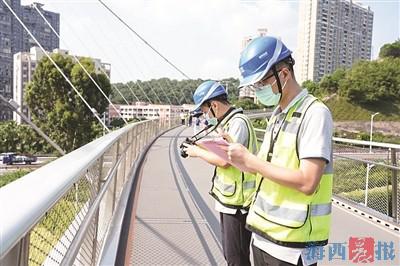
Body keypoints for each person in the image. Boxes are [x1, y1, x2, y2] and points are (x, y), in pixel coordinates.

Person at [224, 36, 334, 266]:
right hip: (264, 234)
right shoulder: (277, 115)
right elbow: (267, 170)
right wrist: (240, 158)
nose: (259, 90)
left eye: (261, 84)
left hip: (294, 246)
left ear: (283, 74)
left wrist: (251, 162)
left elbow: (307, 181)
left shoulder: (315, 113)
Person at [182, 80, 258, 266]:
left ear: (214, 105)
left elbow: (225, 161)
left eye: (206, 110)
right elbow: (221, 151)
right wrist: (198, 144)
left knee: (236, 258)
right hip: (229, 200)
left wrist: (196, 152)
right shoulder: (228, 122)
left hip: (239, 203)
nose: (206, 115)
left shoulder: (238, 123)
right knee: (231, 255)